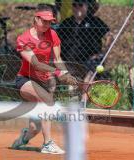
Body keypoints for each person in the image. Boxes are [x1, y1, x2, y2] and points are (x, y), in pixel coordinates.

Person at [11, 4, 78, 154]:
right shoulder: (24, 38)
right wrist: (58, 73)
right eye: (44, 21)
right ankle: (47, 144)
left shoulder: (52, 34)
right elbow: (35, 63)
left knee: (35, 128)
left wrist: (65, 73)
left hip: (44, 81)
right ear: (36, 18)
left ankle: (23, 138)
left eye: (50, 22)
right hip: (24, 80)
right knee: (46, 100)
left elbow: (58, 59)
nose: (47, 24)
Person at [57, 0, 113, 100]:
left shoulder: (94, 21)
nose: (77, 7)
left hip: (91, 59)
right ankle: (73, 102)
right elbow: (56, 41)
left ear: (86, 7)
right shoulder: (67, 22)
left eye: (80, 5)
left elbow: (109, 36)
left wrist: (102, 53)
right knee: (72, 81)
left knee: (89, 75)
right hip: (70, 61)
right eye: (74, 5)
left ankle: (83, 102)